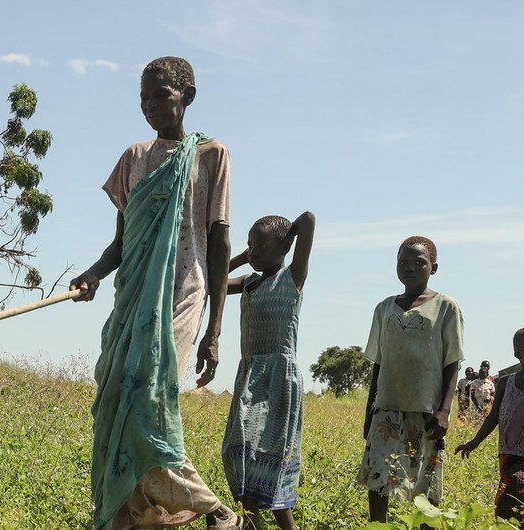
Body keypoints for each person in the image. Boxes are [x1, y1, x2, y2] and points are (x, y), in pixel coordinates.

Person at [70, 56, 240, 530]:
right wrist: (94, 274)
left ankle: (213, 509)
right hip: (134, 295)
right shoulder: (135, 157)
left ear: (187, 94)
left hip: (185, 290)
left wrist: (215, 329)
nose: (150, 106)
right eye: (143, 98)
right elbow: (122, 240)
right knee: (116, 398)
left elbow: (220, 240)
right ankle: (138, 512)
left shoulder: (211, 154)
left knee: (149, 399)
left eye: (160, 95)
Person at [358, 236, 463, 524]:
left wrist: (444, 411)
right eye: (403, 262)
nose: (410, 267)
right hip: (387, 408)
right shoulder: (384, 308)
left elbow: (452, 361)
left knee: (425, 485)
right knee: (378, 479)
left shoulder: (445, 306)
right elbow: (378, 364)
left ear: (434, 267)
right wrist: (370, 412)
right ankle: (377, 527)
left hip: (426, 410)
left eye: (419, 262)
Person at [221, 212, 315, 530]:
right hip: (249, 378)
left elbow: (308, 219)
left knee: (271, 460)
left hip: (279, 381)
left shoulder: (292, 278)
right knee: (242, 452)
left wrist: (288, 235)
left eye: (261, 245)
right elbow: (212, 280)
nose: (254, 251)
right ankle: (251, 523)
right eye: (250, 245)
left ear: (284, 247)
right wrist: (244, 257)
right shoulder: (247, 284)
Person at [456, 328, 524, 528]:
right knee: (516, 503)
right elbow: (493, 418)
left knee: (514, 502)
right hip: (507, 455)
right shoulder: (507, 383)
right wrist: (474, 441)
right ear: (518, 354)